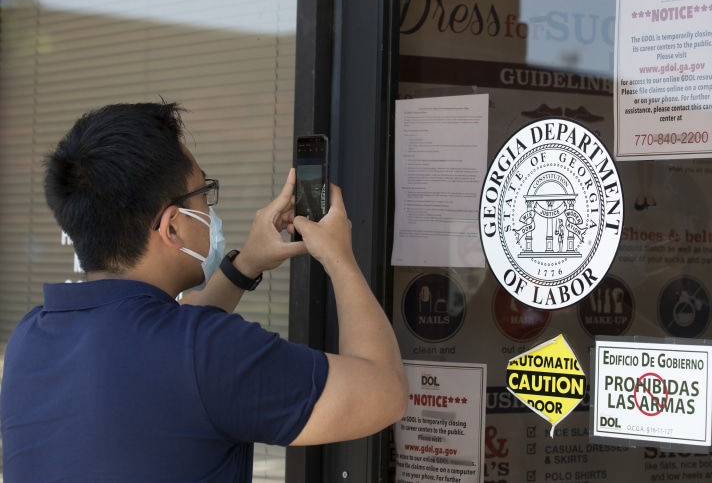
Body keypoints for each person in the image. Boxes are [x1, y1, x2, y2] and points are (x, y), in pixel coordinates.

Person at [0, 102, 408, 481]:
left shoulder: (29, 340)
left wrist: (246, 264)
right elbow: (385, 391)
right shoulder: (207, 352)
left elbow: (168, 352)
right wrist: (340, 258)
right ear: (172, 226)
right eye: (203, 194)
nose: (210, 211)